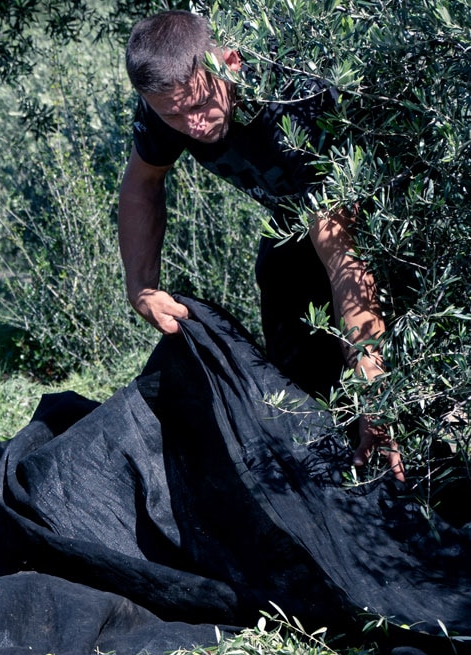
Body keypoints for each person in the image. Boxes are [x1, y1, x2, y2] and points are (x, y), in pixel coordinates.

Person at [116, 11, 403, 481]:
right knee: (281, 282)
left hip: (391, 226)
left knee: (390, 382)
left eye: (199, 106)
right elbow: (141, 184)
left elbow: (343, 258)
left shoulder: (289, 102)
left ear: (231, 61)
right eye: (173, 114)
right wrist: (142, 287)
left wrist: (374, 384)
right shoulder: (169, 99)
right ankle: (326, 462)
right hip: (297, 226)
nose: (192, 125)